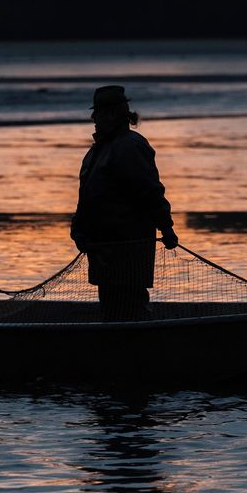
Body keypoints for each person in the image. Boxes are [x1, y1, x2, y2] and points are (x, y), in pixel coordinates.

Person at [69, 85, 179, 321]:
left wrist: (166, 227)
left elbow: (150, 192)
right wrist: (78, 228)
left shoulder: (130, 146)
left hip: (128, 248)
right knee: (111, 307)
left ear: (111, 114)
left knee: (129, 305)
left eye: (97, 112)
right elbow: (87, 197)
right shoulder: (98, 150)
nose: (93, 118)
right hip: (103, 249)